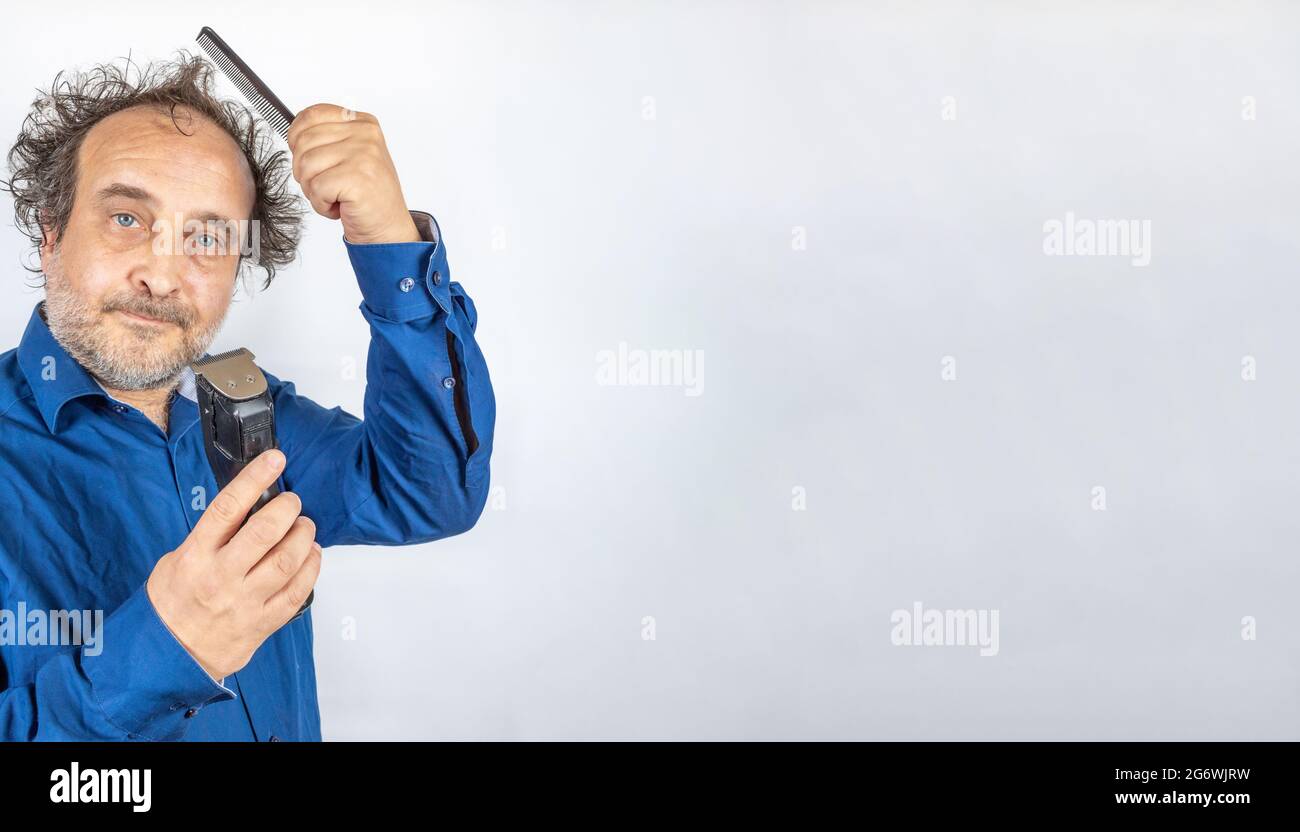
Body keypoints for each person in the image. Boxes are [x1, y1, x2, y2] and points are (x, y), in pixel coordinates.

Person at [0, 52, 494, 740]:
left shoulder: (247, 409)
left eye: (206, 236)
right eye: (124, 219)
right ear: (50, 232)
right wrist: (169, 648)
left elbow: (429, 490)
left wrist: (387, 242)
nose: (162, 275)